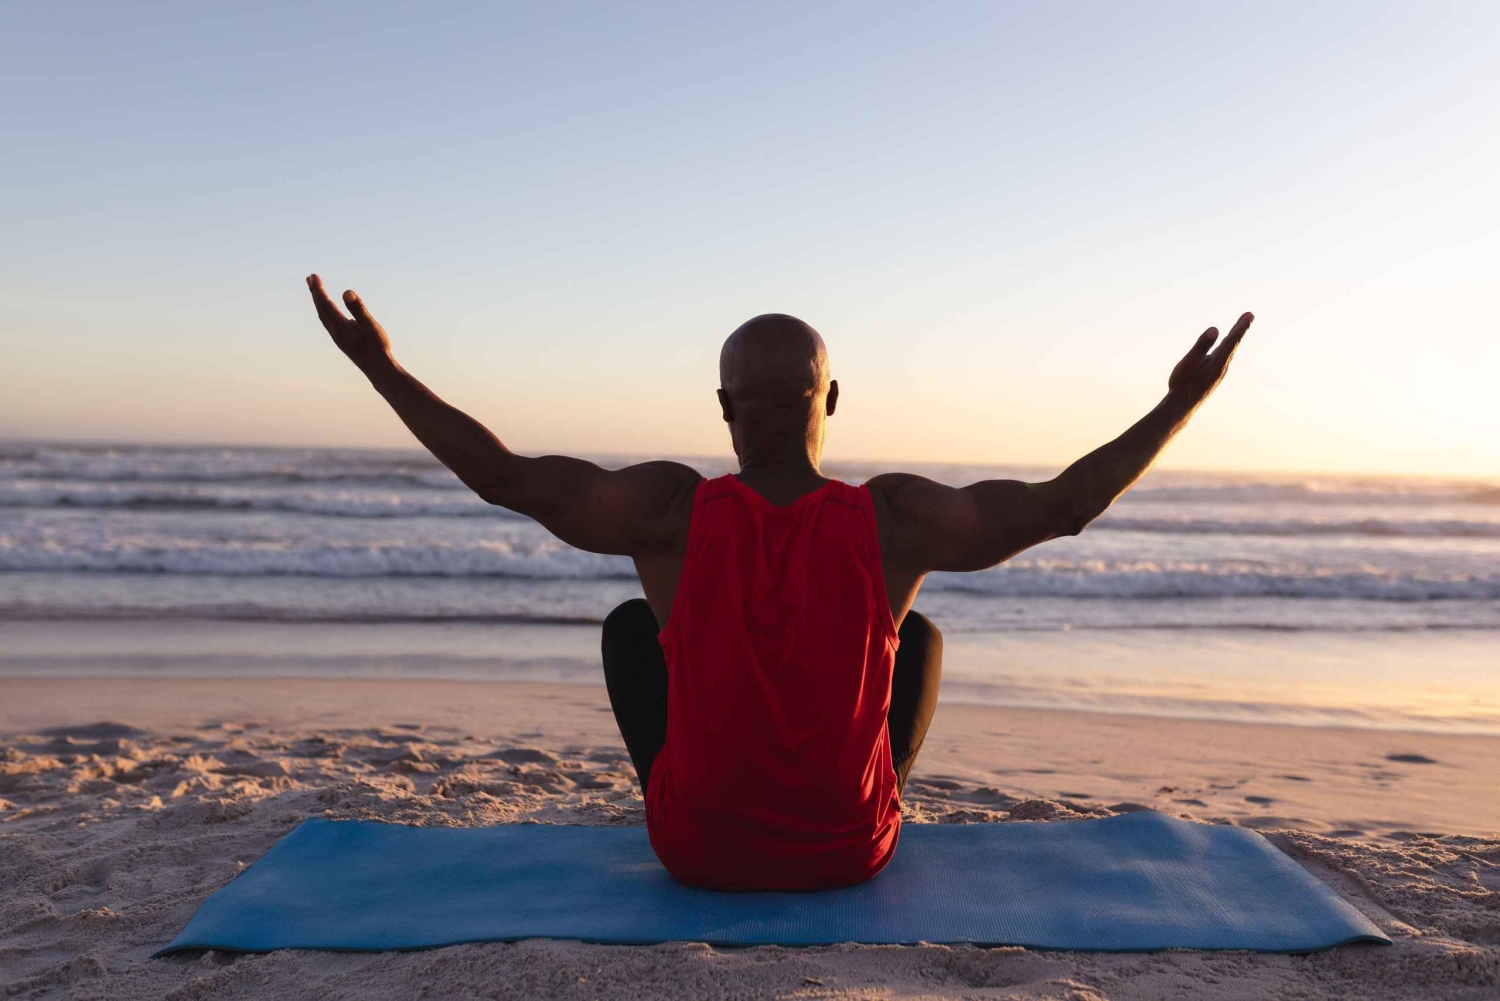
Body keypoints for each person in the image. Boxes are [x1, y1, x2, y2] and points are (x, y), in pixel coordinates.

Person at [307, 275, 1252, 891]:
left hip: (696, 853)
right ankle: (861, 791)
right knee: (915, 636)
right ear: (831, 400)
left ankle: (705, 793)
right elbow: (1059, 507)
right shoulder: (893, 519)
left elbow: (506, 477)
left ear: (724, 409)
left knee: (635, 627)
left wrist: (382, 369)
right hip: (850, 853)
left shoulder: (667, 512)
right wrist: (1178, 404)